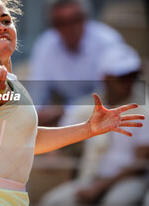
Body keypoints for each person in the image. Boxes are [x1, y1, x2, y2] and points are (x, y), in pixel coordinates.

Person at [0, 0, 144, 206]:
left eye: (5, 21)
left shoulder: (11, 83)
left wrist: (87, 129)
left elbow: (28, 140)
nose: (0, 27)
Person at [38, 43, 149, 206]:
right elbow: (64, 129)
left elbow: (140, 164)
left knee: (115, 203)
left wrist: (98, 187)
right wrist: (52, 155)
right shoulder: (91, 104)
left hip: (127, 180)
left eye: (132, 76)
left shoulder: (143, 108)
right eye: (122, 77)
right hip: (91, 177)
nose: (129, 82)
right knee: (52, 202)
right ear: (106, 78)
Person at [28, 0, 126, 126]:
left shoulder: (107, 40)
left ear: (86, 17)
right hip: (68, 114)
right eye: (61, 23)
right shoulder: (46, 44)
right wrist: (34, 114)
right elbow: (38, 90)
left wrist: (66, 110)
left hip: (109, 110)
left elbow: (112, 93)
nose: (69, 28)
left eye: (76, 19)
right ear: (52, 24)